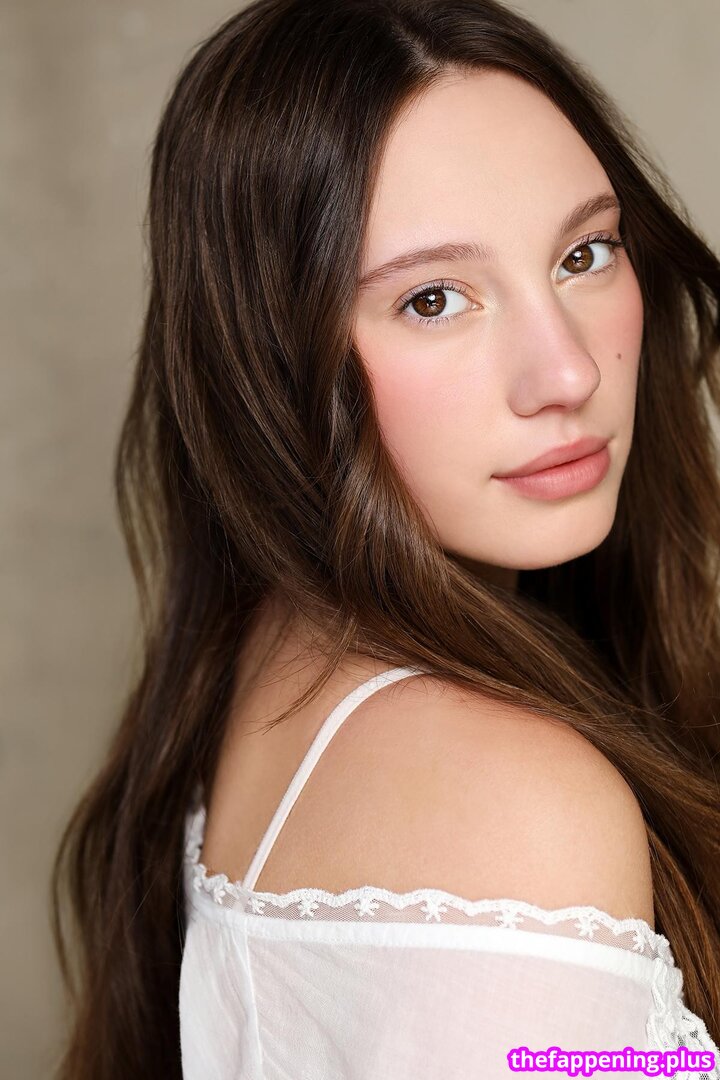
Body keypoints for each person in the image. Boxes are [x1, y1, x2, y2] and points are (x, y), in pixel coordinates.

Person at [51, 1, 720, 1077]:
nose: (567, 372)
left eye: (585, 252)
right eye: (435, 299)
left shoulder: (272, 658)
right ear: (274, 361)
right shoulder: (516, 804)